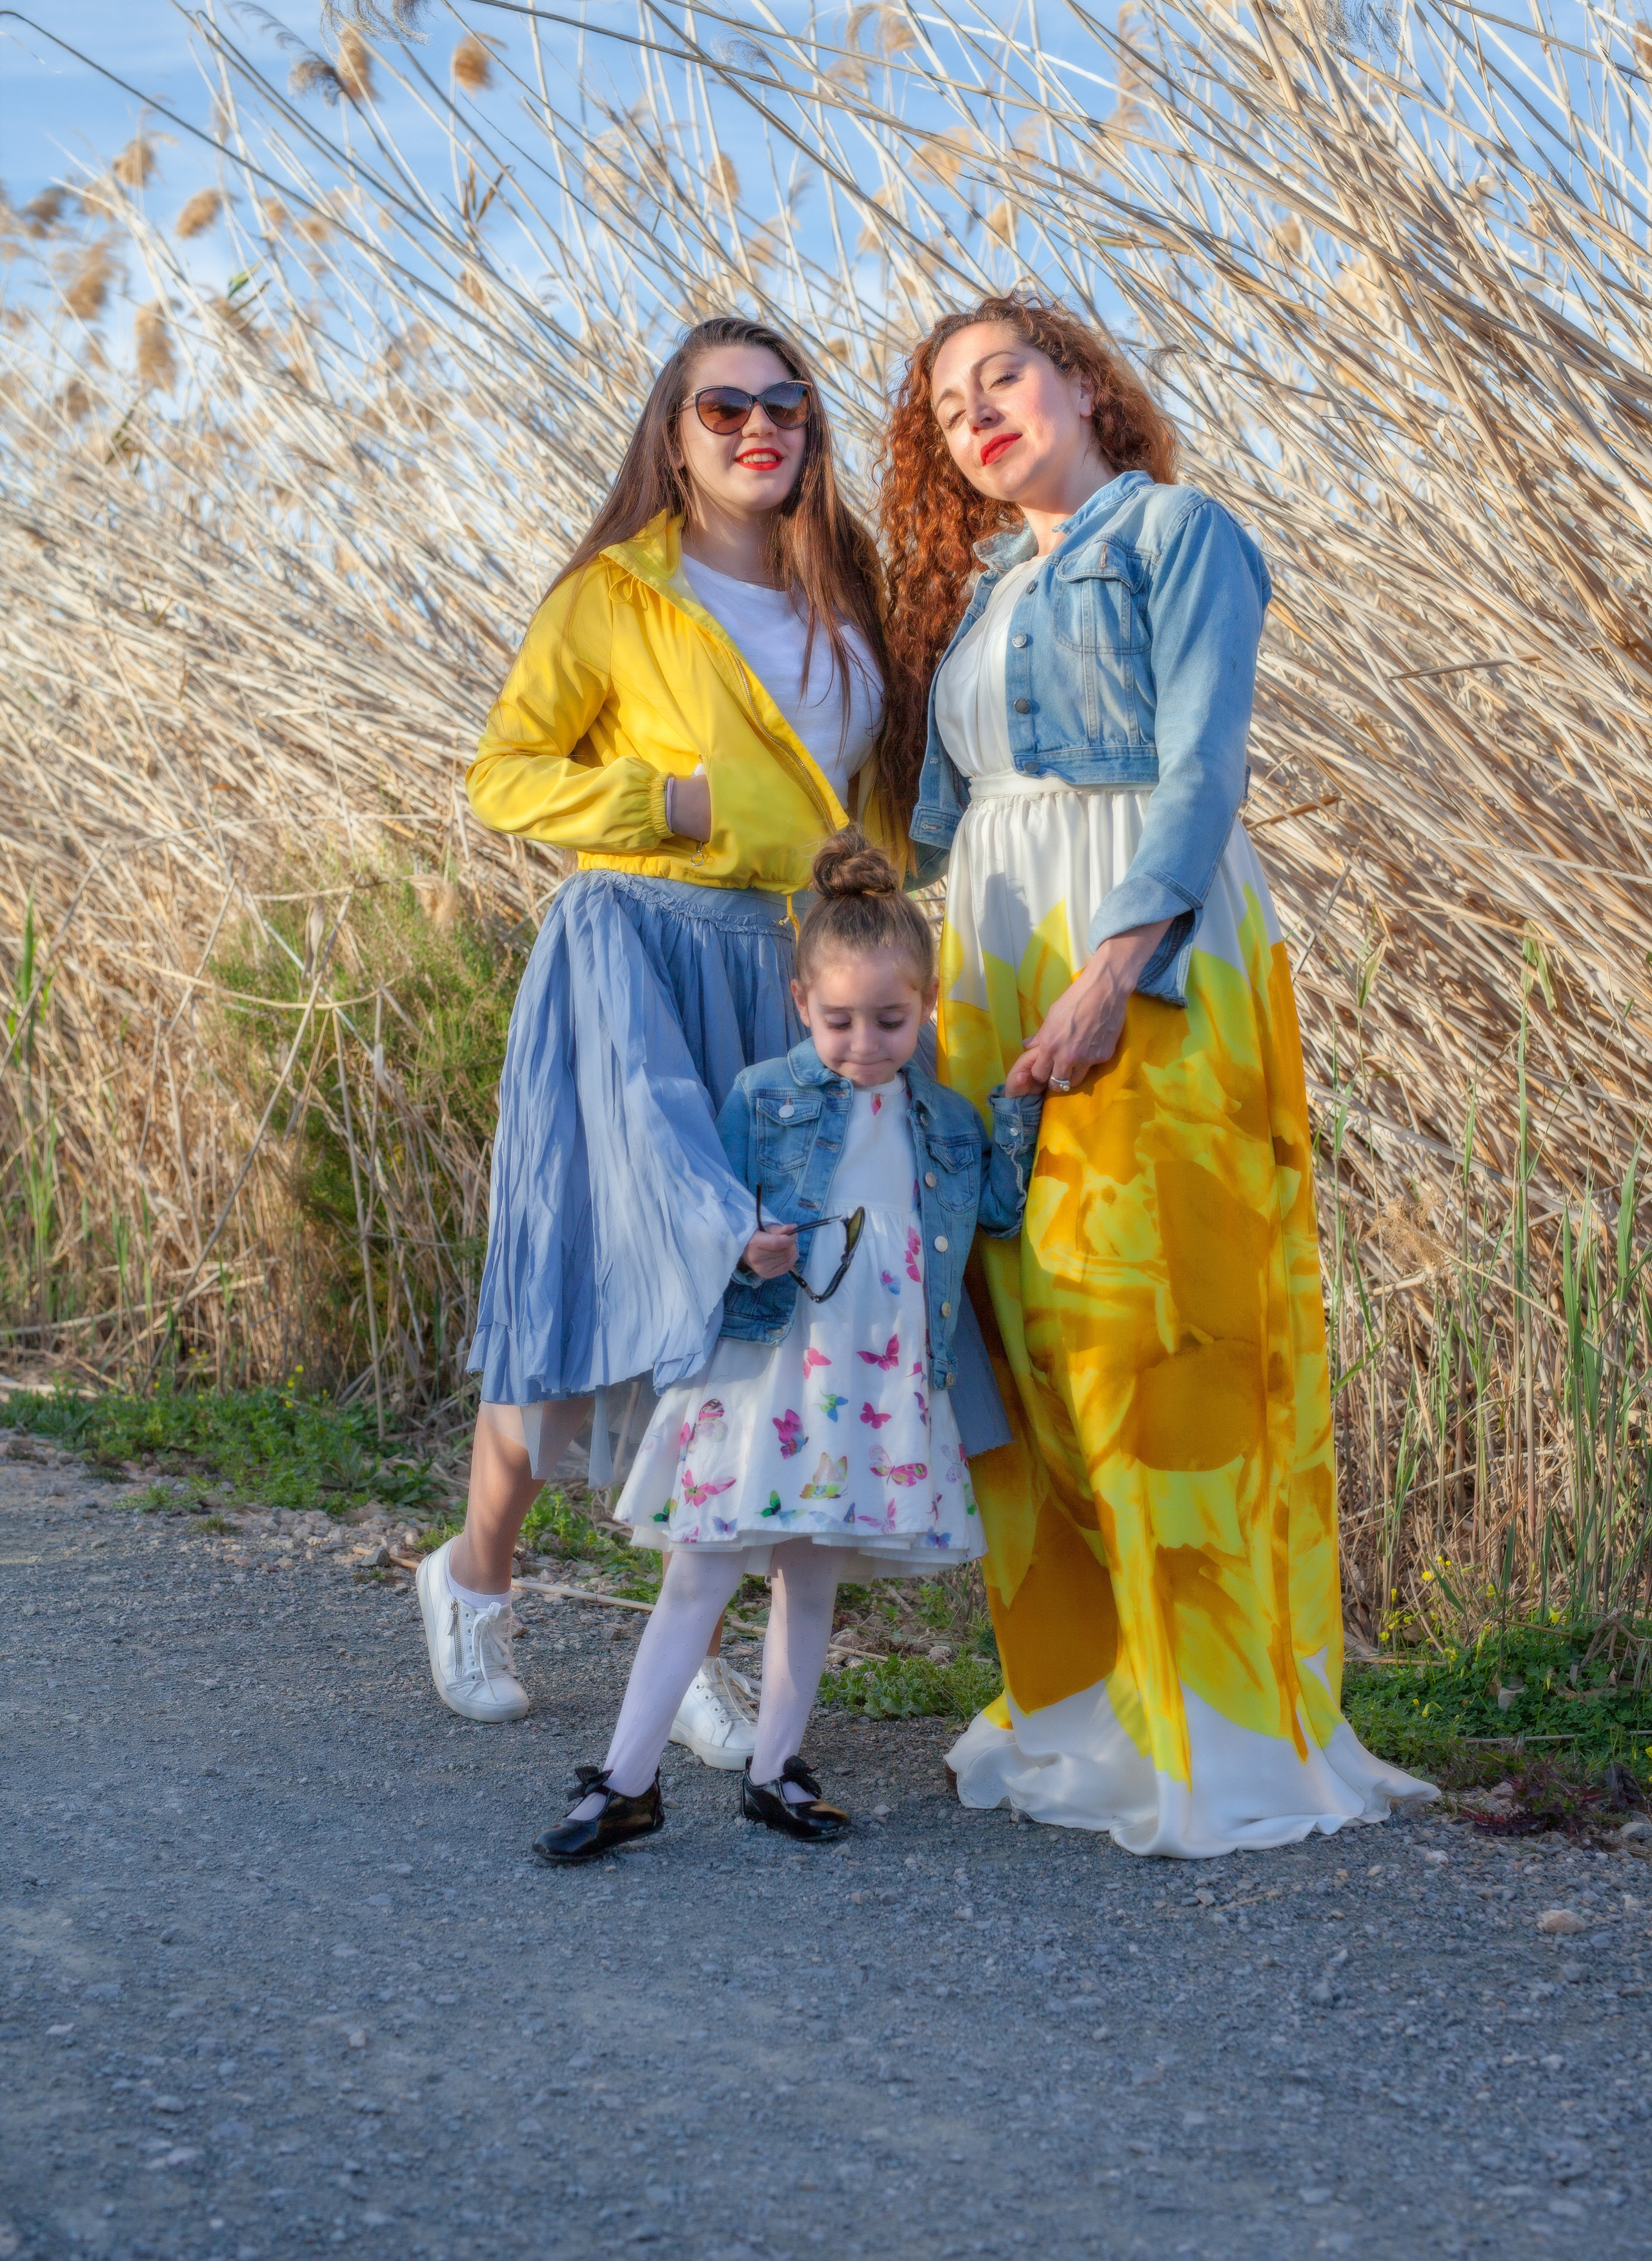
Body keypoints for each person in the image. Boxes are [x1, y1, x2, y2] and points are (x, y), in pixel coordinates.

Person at [880, 293, 1433, 1855]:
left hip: (1140, 941)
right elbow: (924, 825)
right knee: (1030, 1332)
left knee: (1156, 1332)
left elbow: (1199, 766)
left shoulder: (1174, 533)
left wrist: (1117, 971)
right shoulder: (987, 590)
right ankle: (1085, 1696)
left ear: (1085, 389)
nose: (977, 413)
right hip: (992, 961)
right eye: (946, 407)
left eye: (1005, 376)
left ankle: (1219, 1720)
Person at [417, 315, 909, 1765]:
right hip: (636, 950)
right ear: (671, 433)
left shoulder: (850, 587)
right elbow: (500, 775)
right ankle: (473, 1580)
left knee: (752, 1299)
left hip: (788, 972)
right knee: (602, 1267)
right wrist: (658, 802)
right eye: (722, 407)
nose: (758, 427)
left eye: (785, 404)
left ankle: (678, 1636)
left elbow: (875, 794)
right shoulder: (615, 592)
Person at [530, 829, 1043, 1861]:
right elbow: (710, 1215)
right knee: (701, 1568)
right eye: (841, 1019)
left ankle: (777, 1769)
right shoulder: (764, 1096)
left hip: (875, 1378)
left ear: (927, 1005)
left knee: (810, 1578)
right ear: (802, 1001)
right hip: (767, 1371)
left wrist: (1020, 1109)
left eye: (892, 1020)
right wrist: (740, 1244)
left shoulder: (944, 1119)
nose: (865, 1042)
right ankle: (626, 1781)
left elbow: (992, 1214)